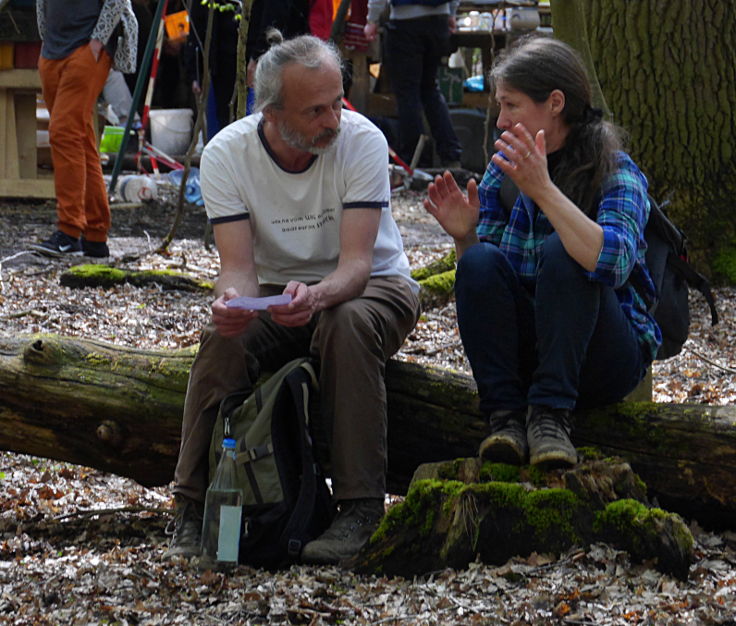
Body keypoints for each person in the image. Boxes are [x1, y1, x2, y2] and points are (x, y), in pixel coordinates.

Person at [164, 33, 421, 565]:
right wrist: (232, 304)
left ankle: (359, 507)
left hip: (373, 285)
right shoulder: (226, 155)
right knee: (221, 338)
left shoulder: (362, 140)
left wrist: (318, 295)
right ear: (272, 113)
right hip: (277, 293)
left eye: (336, 102)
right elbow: (237, 269)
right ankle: (191, 505)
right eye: (315, 111)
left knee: (343, 322)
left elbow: (356, 265)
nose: (332, 120)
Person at [424, 36, 661, 468]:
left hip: (603, 356)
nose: (499, 121)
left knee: (567, 251)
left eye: (511, 105)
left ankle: (551, 416)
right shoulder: (504, 169)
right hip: (532, 350)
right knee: (478, 262)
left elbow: (615, 263)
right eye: (500, 106)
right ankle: (505, 418)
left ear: (554, 103)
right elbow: (490, 293)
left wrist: (545, 191)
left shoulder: (616, 170)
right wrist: (464, 237)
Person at [31, 0, 138, 258]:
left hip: (86, 49)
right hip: (53, 51)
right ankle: (95, 235)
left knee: (64, 134)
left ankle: (69, 231)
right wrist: (46, 39)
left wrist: (99, 41)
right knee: (80, 138)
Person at [364, 0, 462, 168]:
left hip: (405, 22)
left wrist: (372, 20)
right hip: (438, 20)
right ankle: (450, 153)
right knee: (430, 89)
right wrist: (451, 13)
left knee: (408, 93)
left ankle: (416, 159)